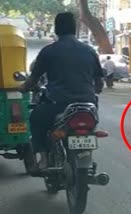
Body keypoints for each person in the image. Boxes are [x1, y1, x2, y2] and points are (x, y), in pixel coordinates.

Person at [18, 12, 104, 170]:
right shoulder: (90, 51)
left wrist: (22, 88)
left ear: (57, 29)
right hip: (88, 105)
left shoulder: (49, 51)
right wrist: (91, 92)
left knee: (36, 119)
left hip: (58, 104)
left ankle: (43, 158)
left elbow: (33, 79)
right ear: (75, 28)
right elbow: (99, 83)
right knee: (90, 128)